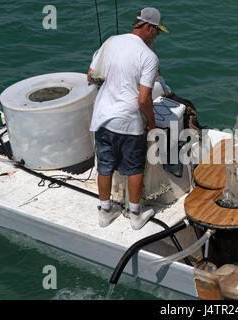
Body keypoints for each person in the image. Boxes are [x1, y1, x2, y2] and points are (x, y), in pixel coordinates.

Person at [87, 7, 169, 229]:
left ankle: (105, 211)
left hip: (103, 117)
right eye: (157, 31)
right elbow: (143, 100)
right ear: (149, 28)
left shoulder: (110, 42)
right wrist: (151, 123)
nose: (157, 36)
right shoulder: (149, 56)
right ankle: (134, 215)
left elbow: (91, 76)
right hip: (129, 122)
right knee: (134, 168)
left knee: (104, 165)